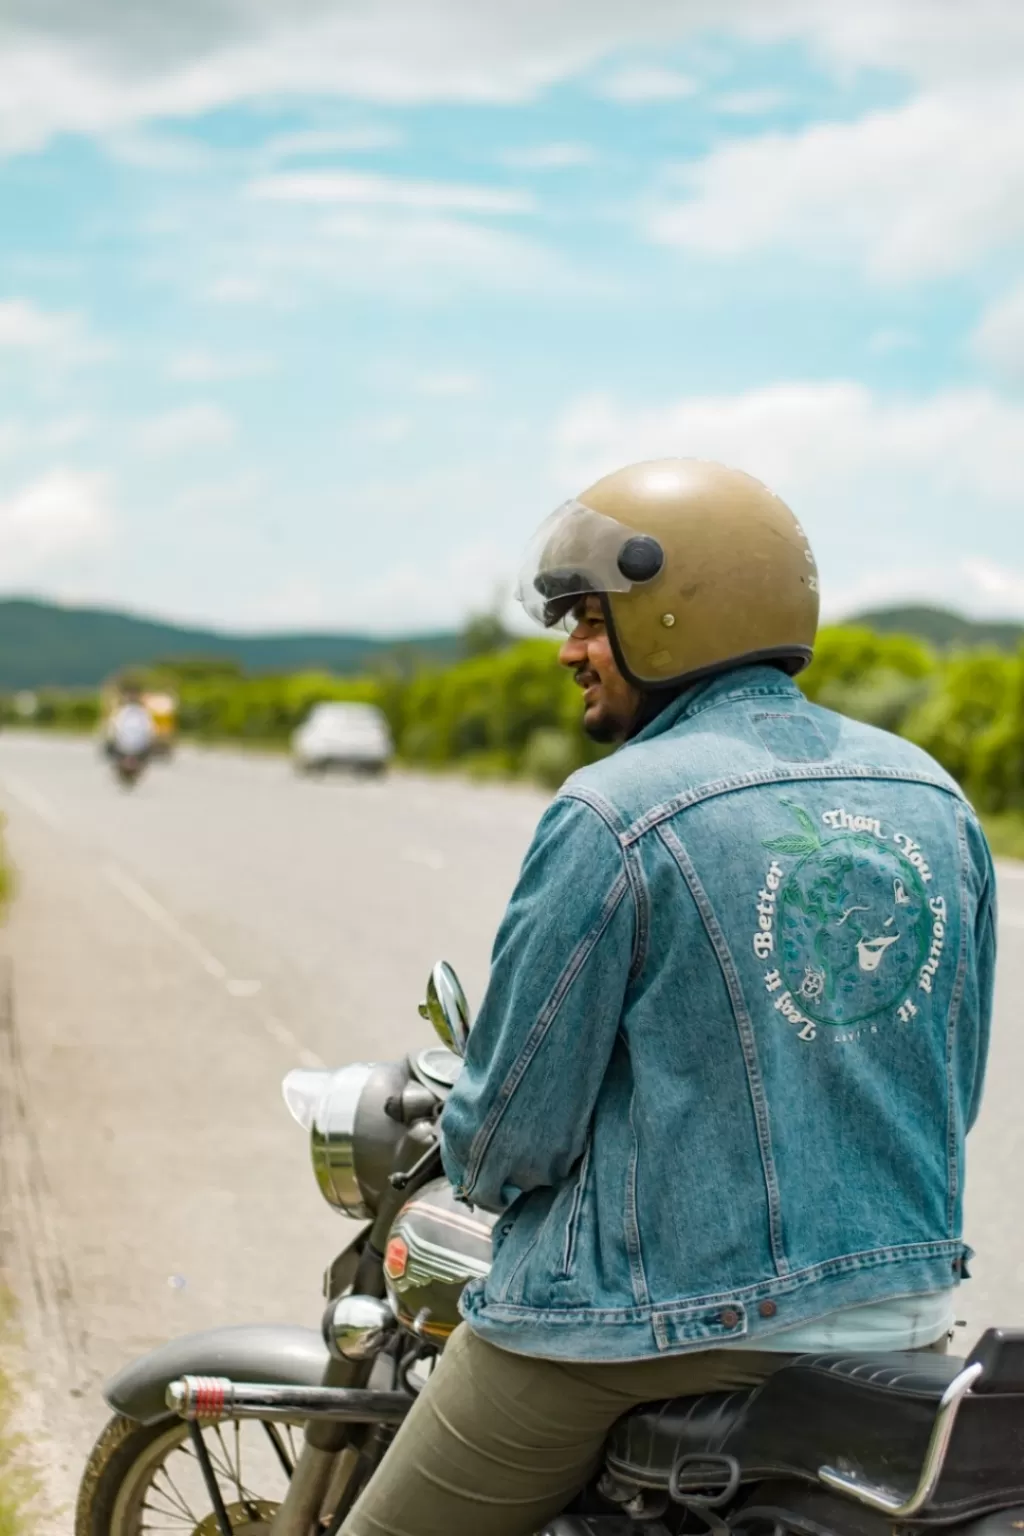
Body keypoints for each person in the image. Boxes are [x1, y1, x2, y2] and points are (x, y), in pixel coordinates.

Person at [342, 459, 996, 1536]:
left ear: (676, 615)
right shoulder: (933, 794)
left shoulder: (613, 813)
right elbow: (946, 1093)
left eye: (589, 618)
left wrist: (479, 1145)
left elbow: (507, 1141)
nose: (567, 649)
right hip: (897, 1318)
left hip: (648, 1327)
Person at [107, 684, 156, 762]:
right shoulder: (123, 710)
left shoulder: (141, 711)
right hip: (125, 745)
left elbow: (149, 728)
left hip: (137, 745)